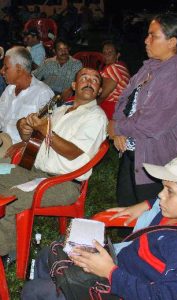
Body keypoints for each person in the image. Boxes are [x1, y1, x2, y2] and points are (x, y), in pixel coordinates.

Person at [21, 151, 177, 300]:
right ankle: (59, 284)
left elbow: (167, 295)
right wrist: (144, 205)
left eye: (169, 191)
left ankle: (55, 287)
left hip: (123, 288)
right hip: (119, 264)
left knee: (35, 291)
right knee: (49, 252)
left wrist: (109, 271)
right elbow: (165, 203)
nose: (160, 195)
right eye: (163, 187)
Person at [0, 67, 107, 263]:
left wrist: (45, 129)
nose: (89, 82)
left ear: (99, 90)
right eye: (84, 78)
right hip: (35, 171)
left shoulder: (96, 116)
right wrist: (23, 128)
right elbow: (33, 139)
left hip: (64, 183)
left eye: (95, 80)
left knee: (12, 198)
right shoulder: (61, 110)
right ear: (74, 86)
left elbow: (73, 152)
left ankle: (6, 252)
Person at [107, 13, 177, 208]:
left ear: (172, 42)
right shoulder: (151, 67)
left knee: (149, 222)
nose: (146, 40)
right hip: (133, 151)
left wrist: (116, 128)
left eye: (153, 36)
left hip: (157, 163)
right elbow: (124, 98)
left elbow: (149, 124)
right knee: (126, 212)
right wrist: (117, 128)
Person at [0, 46, 54, 146]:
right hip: (2, 140)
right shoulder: (9, 89)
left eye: (6, 67)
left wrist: (23, 146)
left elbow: (47, 131)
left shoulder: (43, 93)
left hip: (20, 148)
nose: (2, 71)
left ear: (19, 69)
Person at [97, 40, 131, 120]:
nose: (106, 55)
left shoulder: (114, 68)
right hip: (121, 108)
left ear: (117, 55)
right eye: (104, 53)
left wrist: (89, 107)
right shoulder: (121, 66)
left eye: (110, 53)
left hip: (111, 108)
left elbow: (103, 95)